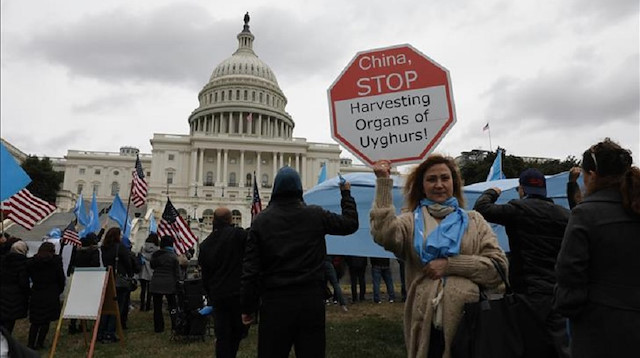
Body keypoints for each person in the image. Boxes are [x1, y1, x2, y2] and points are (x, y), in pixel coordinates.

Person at [370, 155, 507, 358]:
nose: (439, 184)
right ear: (422, 186)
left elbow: (498, 268)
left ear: (454, 183)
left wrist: (451, 265)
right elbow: (384, 235)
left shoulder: (474, 221)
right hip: (424, 324)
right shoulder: (410, 222)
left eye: (445, 178)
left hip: (470, 324)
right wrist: (383, 182)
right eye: (431, 179)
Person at [241, 166, 358, 358]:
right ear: (299, 188)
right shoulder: (315, 215)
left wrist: (247, 307)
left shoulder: (261, 221)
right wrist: (346, 194)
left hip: (275, 302)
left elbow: (251, 270)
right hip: (310, 300)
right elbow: (350, 223)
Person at [554, 138, 640, 358]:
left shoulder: (586, 213)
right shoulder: (634, 207)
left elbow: (569, 273)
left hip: (599, 328)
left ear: (591, 175)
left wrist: (569, 308)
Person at [473, 167, 571, 357]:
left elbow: (481, 209)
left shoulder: (517, 210)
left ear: (522, 190)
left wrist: (492, 192)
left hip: (528, 292)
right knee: (560, 347)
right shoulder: (564, 215)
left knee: (531, 345)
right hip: (558, 290)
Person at [198, 207, 248, 358]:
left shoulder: (205, 245)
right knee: (236, 332)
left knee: (222, 334)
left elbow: (205, 274)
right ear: (230, 219)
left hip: (218, 294)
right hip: (237, 293)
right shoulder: (240, 235)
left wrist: (210, 293)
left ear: (213, 220)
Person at [26, 242, 66, 350]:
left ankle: (31, 343)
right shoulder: (56, 262)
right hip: (51, 292)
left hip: (37, 292)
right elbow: (61, 278)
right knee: (46, 321)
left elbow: (26, 277)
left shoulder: (32, 262)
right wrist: (58, 290)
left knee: (35, 321)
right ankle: (40, 342)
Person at [97, 227, 132, 343]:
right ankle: (109, 333)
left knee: (106, 307)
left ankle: (100, 331)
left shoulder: (103, 248)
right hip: (119, 281)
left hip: (107, 278)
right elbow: (128, 263)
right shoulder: (119, 247)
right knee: (116, 308)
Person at [67, 233, 101, 334]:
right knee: (85, 302)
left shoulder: (77, 251)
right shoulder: (94, 251)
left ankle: (72, 324)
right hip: (88, 278)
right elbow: (96, 264)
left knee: (76, 302)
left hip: (77, 278)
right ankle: (83, 325)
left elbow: (71, 264)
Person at [150, 235, 180, 333]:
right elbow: (177, 273)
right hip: (169, 283)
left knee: (157, 307)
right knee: (172, 306)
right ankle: (174, 324)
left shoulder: (155, 255)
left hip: (156, 282)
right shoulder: (173, 256)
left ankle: (158, 328)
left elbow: (152, 266)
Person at [0, 240, 30, 334]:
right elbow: (23, 283)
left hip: (2, 293)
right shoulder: (23, 264)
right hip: (15, 296)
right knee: (9, 323)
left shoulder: (3, 261)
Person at [139, 233, 159, 312]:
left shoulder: (143, 247)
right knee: (150, 291)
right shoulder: (156, 249)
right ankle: (147, 306)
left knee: (143, 290)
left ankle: (141, 306)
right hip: (151, 271)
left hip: (143, 270)